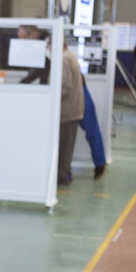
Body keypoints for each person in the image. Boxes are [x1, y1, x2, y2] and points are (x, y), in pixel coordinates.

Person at [55, 37, 86, 185]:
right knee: (67, 146)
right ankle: (64, 172)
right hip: (73, 109)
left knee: (64, 147)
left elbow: (65, 87)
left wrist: (50, 96)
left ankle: (62, 175)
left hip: (67, 111)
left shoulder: (63, 59)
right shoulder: (70, 55)